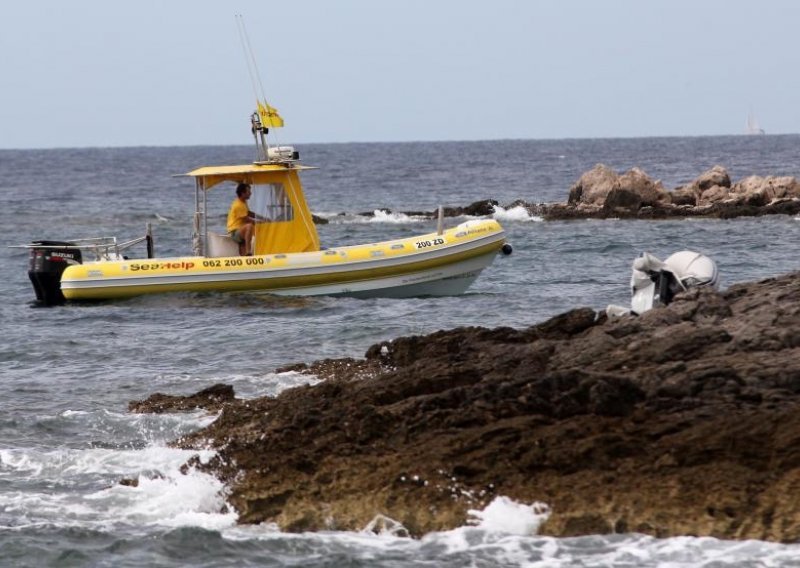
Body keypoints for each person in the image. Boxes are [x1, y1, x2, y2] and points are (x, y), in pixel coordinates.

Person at [227, 182, 255, 255]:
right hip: (234, 232)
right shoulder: (238, 205)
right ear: (243, 193)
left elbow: (248, 213)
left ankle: (246, 255)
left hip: (240, 230)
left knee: (243, 254)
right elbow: (246, 219)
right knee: (249, 226)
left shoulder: (243, 202)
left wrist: (262, 217)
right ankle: (249, 251)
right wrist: (260, 222)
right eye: (249, 192)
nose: (250, 193)